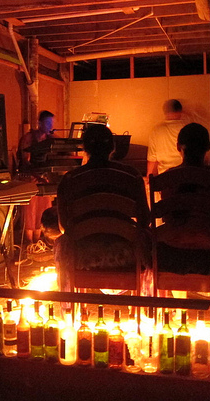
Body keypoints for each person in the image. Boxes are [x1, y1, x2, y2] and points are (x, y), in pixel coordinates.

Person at [54, 124, 150, 292]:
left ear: (84, 148)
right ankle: (145, 310)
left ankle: (70, 310)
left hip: (82, 256)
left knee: (62, 242)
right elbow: (145, 220)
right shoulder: (132, 176)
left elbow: (64, 227)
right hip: (127, 255)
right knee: (148, 238)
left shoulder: (70, 180)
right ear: (113, 147)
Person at [153, 123, 210, 276]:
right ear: (208, 147)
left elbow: (167, 216)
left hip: (169, 255)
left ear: (178, 146)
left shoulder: (166, 179)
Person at [16, 110, 55, 246]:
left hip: (43, 179)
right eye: (48, 122)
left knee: (43, 210)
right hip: (30, 179)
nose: (50, 125)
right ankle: (28, 244)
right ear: (40, 123)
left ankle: (37, 243)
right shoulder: (29, 138)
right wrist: (38, 176)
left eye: (52, 123)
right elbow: (25, 162)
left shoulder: (50, 139)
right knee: (30, 212)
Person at [147, 99, 187, 176]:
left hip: (164, 177)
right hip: (184, 174)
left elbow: (152, 158)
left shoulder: (157, 130)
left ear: (165, 112)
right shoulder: (187, 127)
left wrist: (149, 176)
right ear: (180, 111)